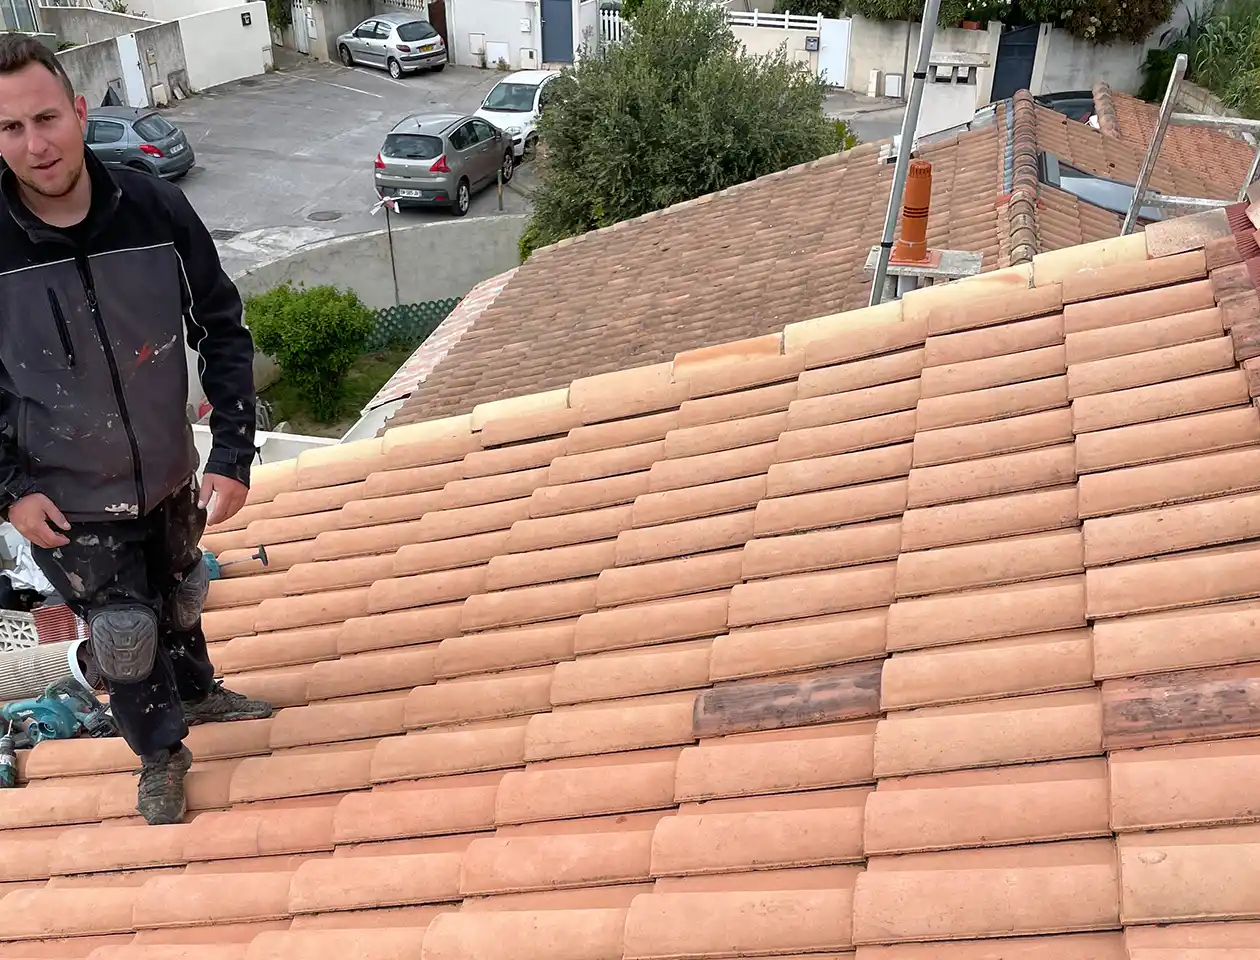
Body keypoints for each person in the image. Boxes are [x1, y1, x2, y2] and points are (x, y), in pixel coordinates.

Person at [0, 35, 272, 825]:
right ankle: (160, 752)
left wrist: (233, 452)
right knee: (124, 632)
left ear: (80, 112)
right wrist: (9, 491)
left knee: (181, 593)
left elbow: (222, 325)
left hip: (165, 470)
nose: (34, 143)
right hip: (66, 497)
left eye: (46, 118)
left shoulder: (153, 208)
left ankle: (200, 691)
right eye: (10, 128)